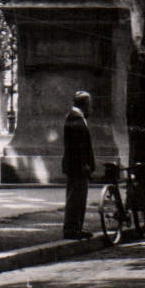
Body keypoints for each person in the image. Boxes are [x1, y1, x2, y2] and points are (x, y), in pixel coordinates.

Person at [62, 91, 96, 239]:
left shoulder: (75, 117)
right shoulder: (75, 119)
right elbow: (78, 146)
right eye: (89, 103)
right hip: (77, 166)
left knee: (78, 198)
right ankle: (72, 228)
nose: (90, 107)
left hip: (76, 165)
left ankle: (76, 227)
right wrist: (84, 164)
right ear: (84, 104)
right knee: (76, 198)